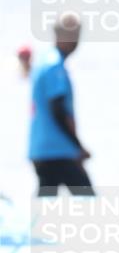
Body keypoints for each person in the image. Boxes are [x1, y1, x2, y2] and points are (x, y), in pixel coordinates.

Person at [29, 13, 95, 196]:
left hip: (41, 148)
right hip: (58, 150)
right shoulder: (54, 66)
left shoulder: (44, 61)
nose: (76, 42)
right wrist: (77, 146)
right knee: (89, 202)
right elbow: (57, 110)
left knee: (45, 207)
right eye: (73, 36)